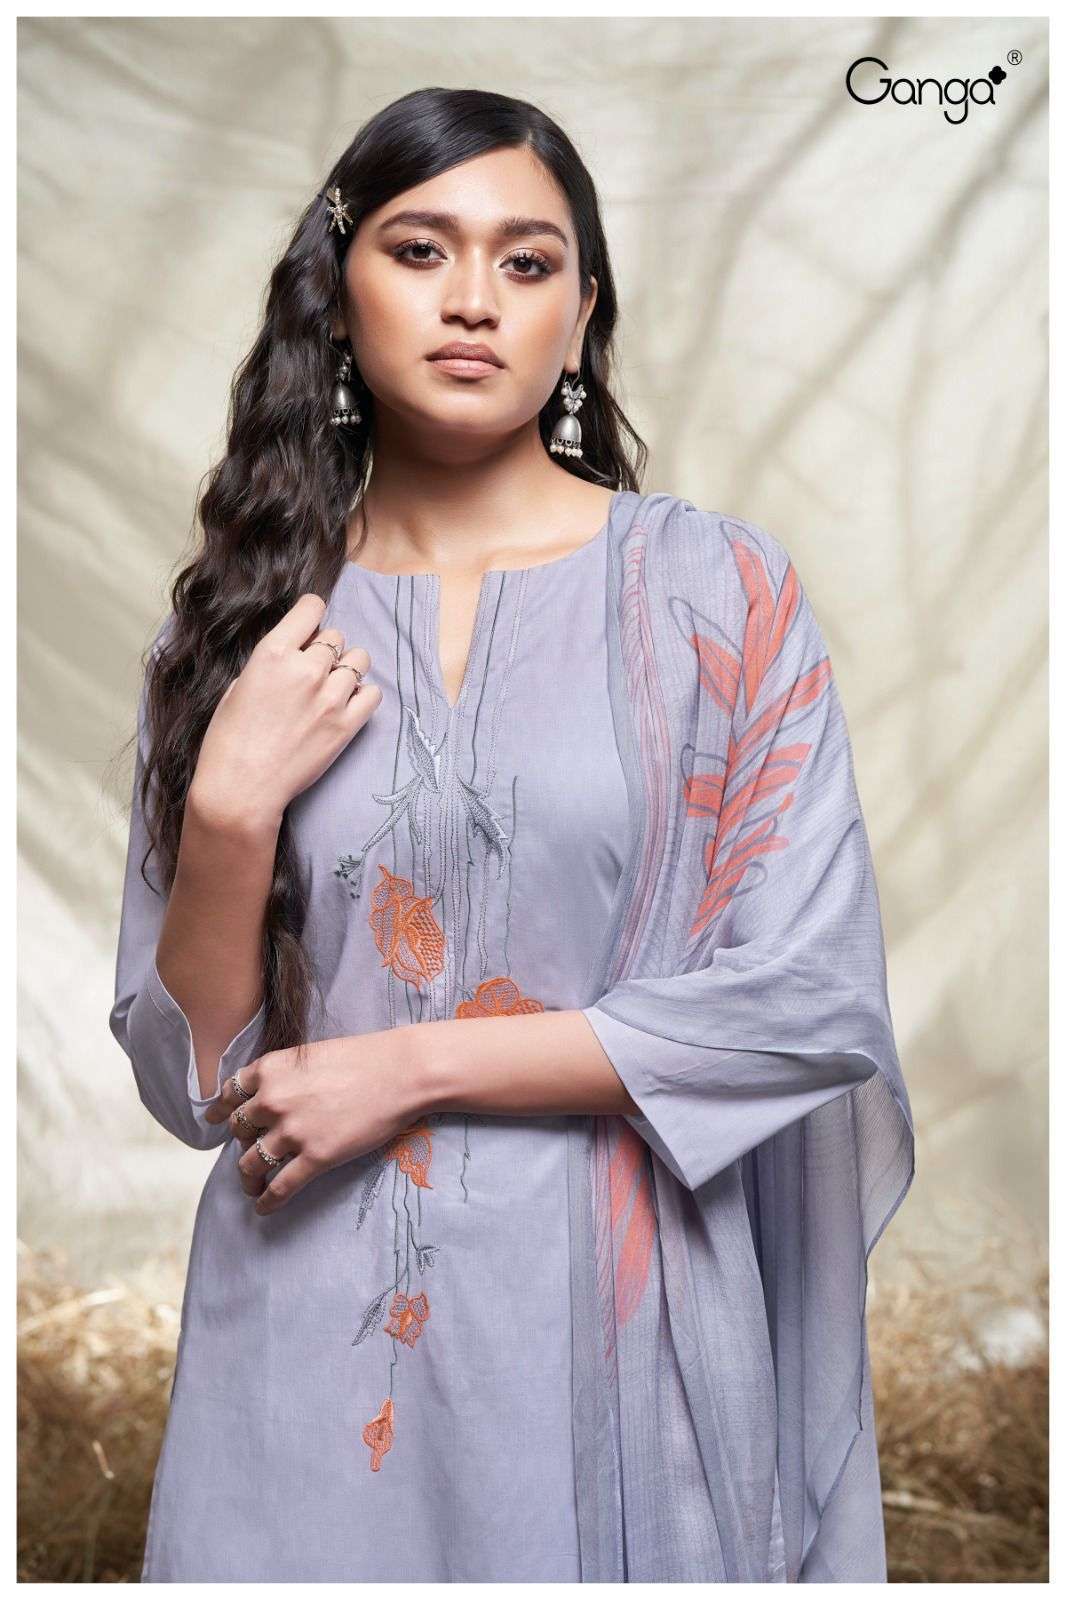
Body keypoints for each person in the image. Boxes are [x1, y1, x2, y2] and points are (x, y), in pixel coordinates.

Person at [109, 88, 914, 1583]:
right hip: (304, 1345)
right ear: (337, 288)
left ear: (581, 312)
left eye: (527, 261)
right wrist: (227, 812)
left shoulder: (715, 596)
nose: (473, 299)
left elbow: (807, 1003)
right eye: (421, 249)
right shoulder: (244, 620)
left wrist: (410, 1066)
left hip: (620, 1332)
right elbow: (201, 1087)